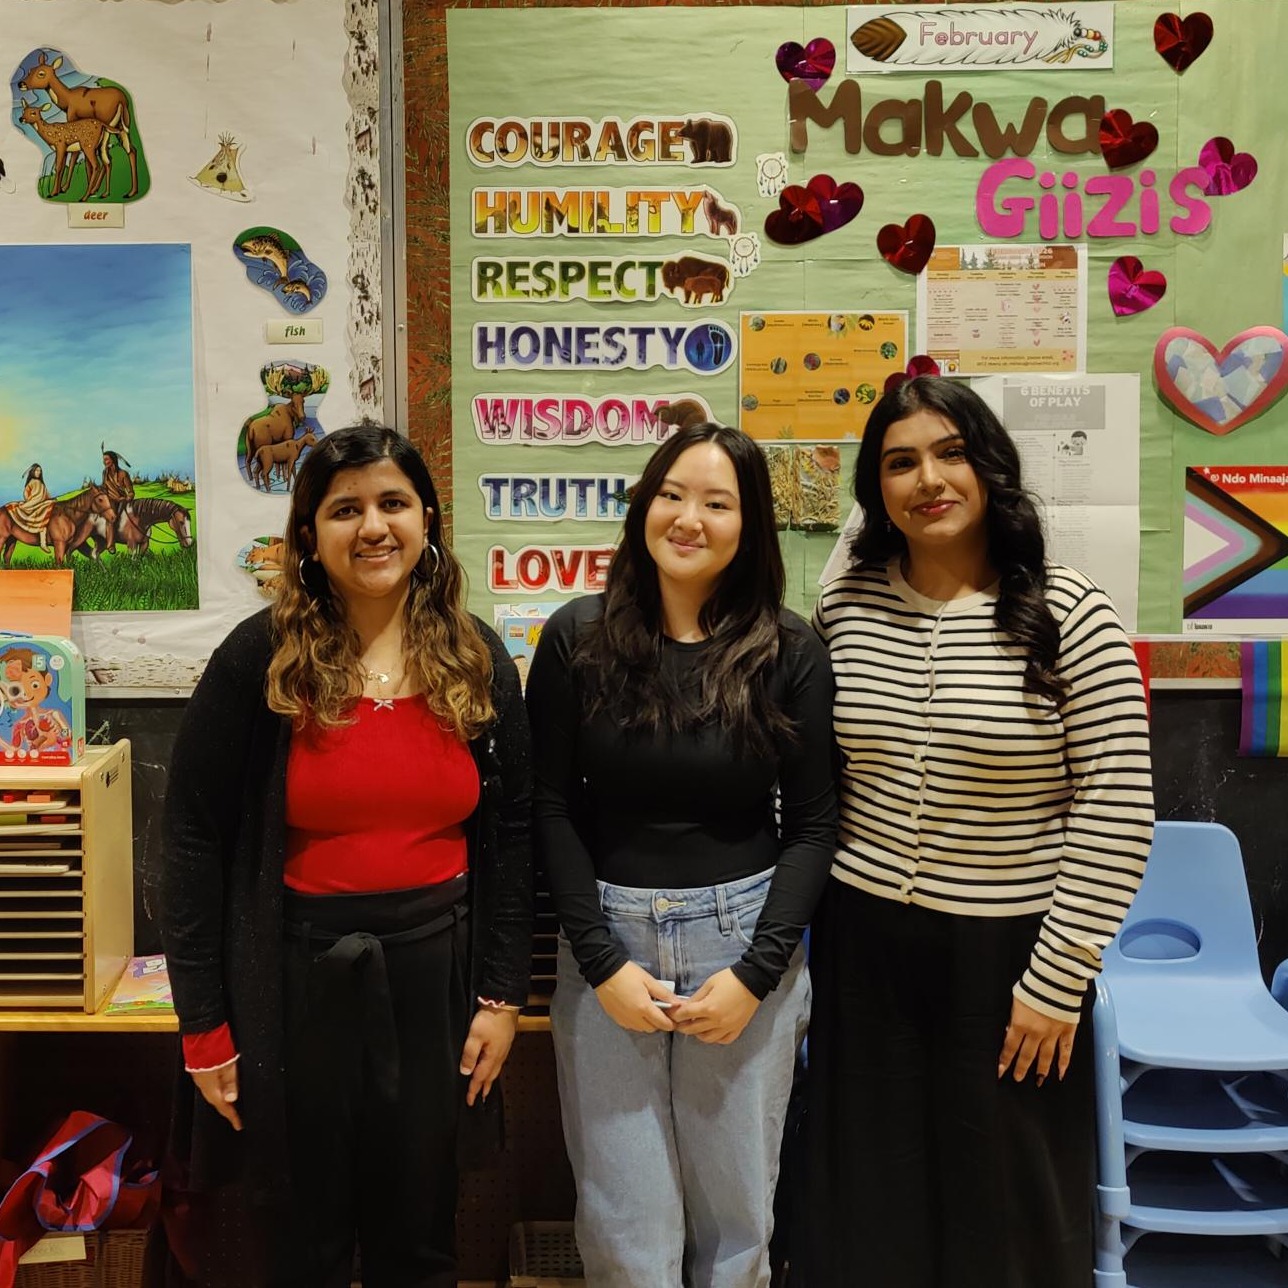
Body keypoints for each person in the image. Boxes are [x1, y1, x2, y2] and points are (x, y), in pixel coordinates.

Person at [159, 424, 533, 1288]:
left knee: (422, 1238)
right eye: (346, 509)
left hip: (437, 984)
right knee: (301, 1239)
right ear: (308, 535)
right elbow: (190, 840)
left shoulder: (476, 657)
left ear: (427, 519)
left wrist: (502, 995)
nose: (374, 527)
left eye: (393, 503)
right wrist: (205, 1026)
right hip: (293, 983)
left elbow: (512, 837)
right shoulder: (260, 658)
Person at [806, 377, 1154, 1288]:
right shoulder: (845, 609)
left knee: (1008, 1203)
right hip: (865, 943)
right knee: (872, 1194)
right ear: (876, 490)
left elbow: (1117, 807)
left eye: (950, 452)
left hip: (1010, 955)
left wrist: (1058, 978)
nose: (928, 478)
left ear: (990, 465)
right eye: (900, 462)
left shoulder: (1069, 613)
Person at [525, 422, 837, 1288]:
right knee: (625, 1226)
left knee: (739, 1223)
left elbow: (814, 827)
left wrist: (755, 975)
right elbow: (550, 808)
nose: (688, 518)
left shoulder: (790, 651)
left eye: (717, 502)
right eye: (671, 494)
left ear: (750, 526)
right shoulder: (575, 638)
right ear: (643, 508)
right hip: (606, 947)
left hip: (742, 949)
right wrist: (600, 963)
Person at [7, 463, 53, 550]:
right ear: (32, 472)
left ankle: (44, 542)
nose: (38, 472)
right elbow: (25, 493)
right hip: (32, 504)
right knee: (41, 518)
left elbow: (47, 494)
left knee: (46, 515)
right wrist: (31, 500)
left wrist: (51, 499)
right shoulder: (31, 482)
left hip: (42, 504)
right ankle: (42, 543)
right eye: (36, 470)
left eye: (40, 471)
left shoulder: (42, 484)